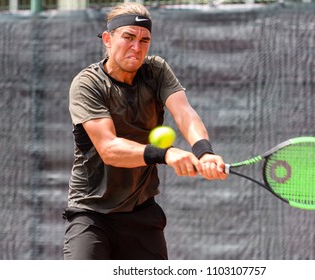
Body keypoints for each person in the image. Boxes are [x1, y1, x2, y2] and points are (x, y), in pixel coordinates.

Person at [63, 2, 227, 260]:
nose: (136, 47)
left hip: (142, 213)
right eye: (128, 37)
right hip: (92, 215)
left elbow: (184, 112)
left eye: (144, 40)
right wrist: (166, 154)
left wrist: (204, 151)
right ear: (108, 39)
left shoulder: (156, 70)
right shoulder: (88, 83)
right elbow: (109, 149)